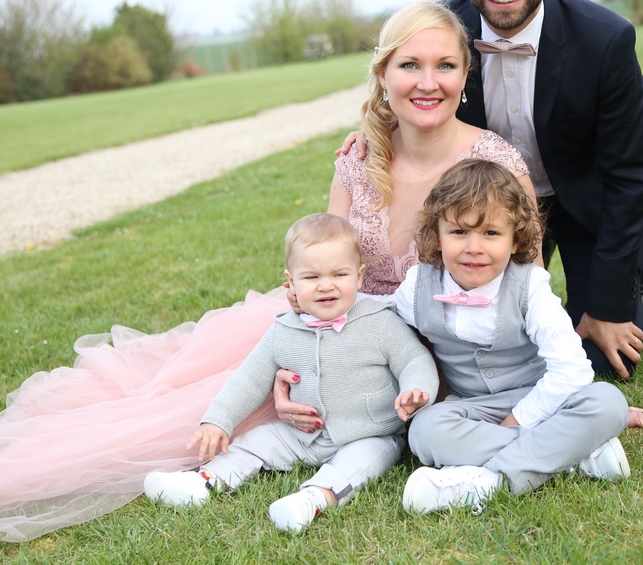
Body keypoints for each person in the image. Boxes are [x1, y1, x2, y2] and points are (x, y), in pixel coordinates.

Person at [0, 1, 535, 542]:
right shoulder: (358, 160)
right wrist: (292, 373)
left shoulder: (494, 163)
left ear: (465, 76)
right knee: (198, 405)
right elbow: (327, 264)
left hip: (447, 347)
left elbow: (524, 289)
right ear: (382, 75)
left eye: (445, 66)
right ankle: (173, 469)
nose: (427, 82)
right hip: (335, 320)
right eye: (409, 65)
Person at [446, 0, 643, 380]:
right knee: (483, 353)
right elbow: (400, 101)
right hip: (490, 212)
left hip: (585, 204)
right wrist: (370, 134)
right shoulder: (438, 34)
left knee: (598, 359)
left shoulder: (605, 40)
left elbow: (629, 175)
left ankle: (626, 280)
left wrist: (607, 305)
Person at [392, 159, 643, 514]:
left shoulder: (530, 286)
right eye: (458, 232)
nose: (474, 247)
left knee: (607, 401)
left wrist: (518, 421)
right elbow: (381, 323)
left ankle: (487, 484)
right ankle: (575, 455)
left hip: (539, 396)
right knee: (424, 431)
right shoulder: (417, 286)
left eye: (491, 233)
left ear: (516, 239)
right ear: (437, 236)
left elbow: (572, 371)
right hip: (472, 407)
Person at [143, 213, 438, 533]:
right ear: (291, 283)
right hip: (301, 435)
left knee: (359, 463)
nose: (326, 285)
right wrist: (218, 420)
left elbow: (414, 360)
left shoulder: (380, 322)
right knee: (255, 441)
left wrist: (416, 389)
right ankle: (204, 482)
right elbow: (249, 379)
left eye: (339, 274)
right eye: (311, 277)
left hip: (370, 431)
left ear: (359, 276)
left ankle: (312, 500)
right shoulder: (283, 331)